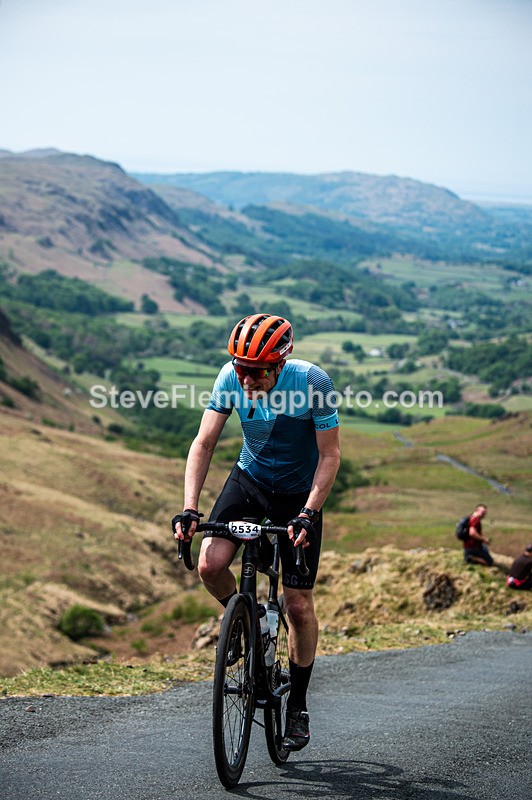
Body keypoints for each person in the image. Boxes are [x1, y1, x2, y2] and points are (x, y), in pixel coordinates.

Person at [173, 313, 340, 751]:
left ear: (281, 364)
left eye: (257, 372)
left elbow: (330, 456)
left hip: (298, 496)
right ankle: (246, 624)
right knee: (210, 565)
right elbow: (205, 442)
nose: (246, 380)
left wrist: (308, 513)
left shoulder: (312, 382)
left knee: (298, 607)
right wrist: (190, 507)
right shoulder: (230, 375)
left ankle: (298, 704)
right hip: (249, 480)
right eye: (241, 369)